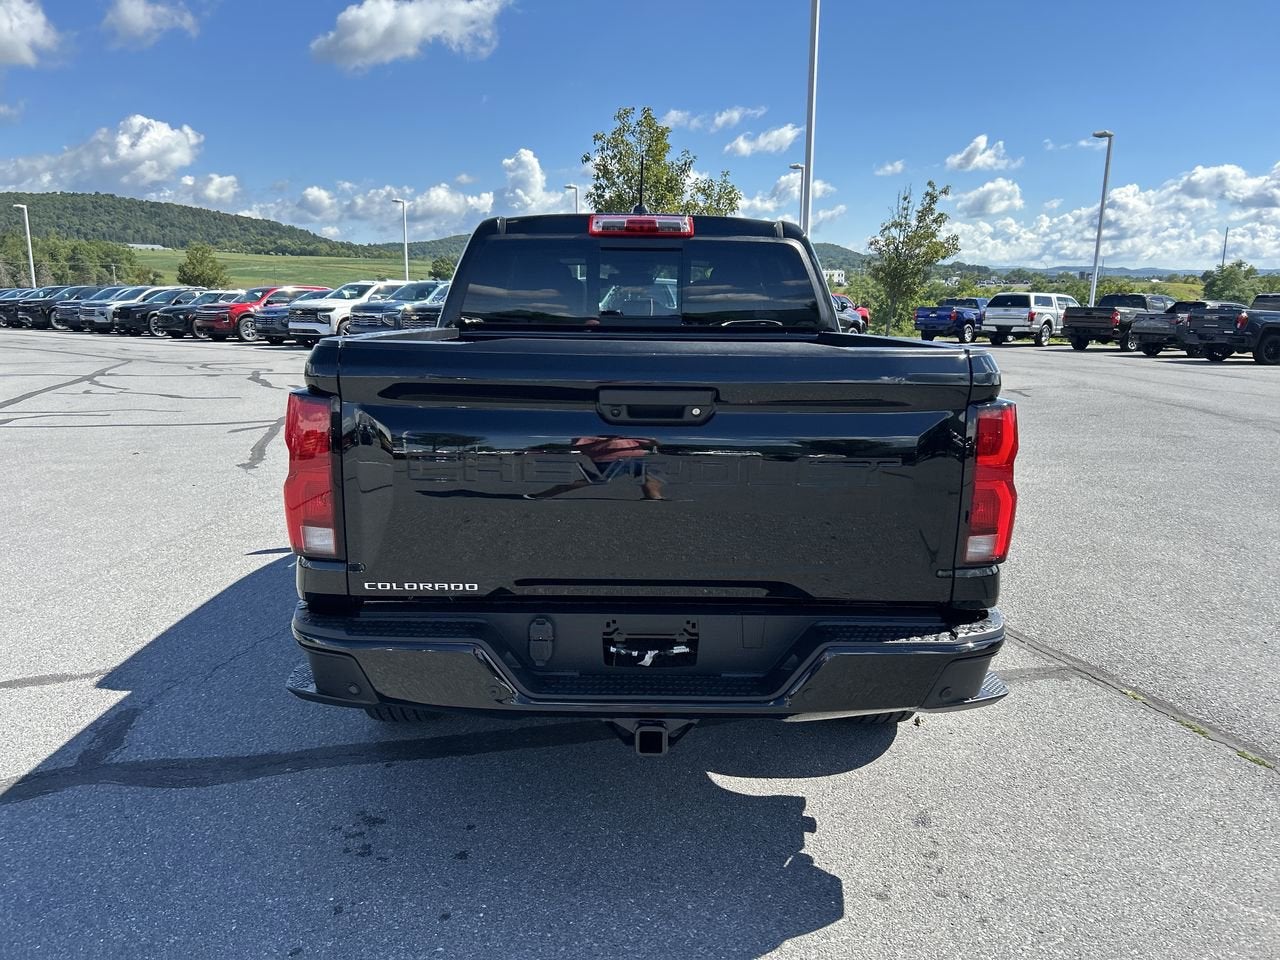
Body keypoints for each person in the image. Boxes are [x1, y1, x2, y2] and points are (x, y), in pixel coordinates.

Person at [524, 435, 664, 500]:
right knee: (595, 479)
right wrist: (607, 438)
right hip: (609, 460)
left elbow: (650, 441)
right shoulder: (590, 433)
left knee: (649, 474)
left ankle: (653, 496)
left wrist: (651, 441)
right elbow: (579, 443)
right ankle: (545, 494)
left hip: (635, 457)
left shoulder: (627, 433)